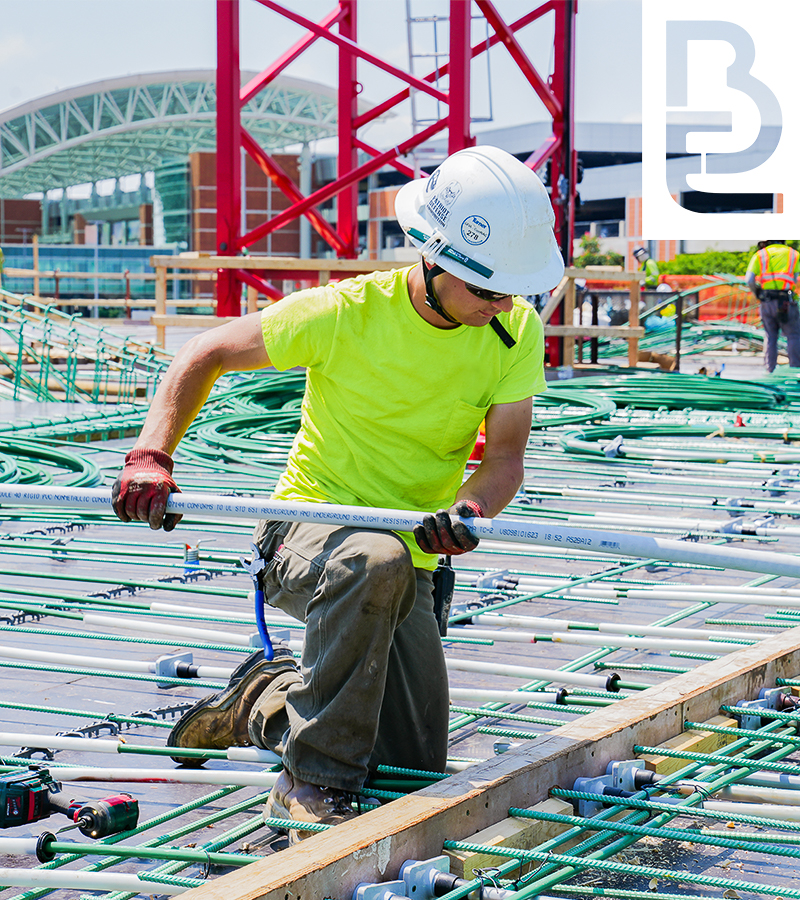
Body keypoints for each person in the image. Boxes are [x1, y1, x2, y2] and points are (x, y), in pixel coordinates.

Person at [110, 145, 564, 843]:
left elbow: (504, 459)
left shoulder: (512, 331)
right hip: (305, 537)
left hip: (409, 556)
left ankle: (263, 698)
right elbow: (205, 352)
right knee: (375, 560)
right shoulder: (348, 312)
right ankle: (312, 782)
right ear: (433, 258)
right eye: (485, 291)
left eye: (510, 292)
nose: (501, 305)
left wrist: (470, 511)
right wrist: (151, 456)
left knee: (410, 771)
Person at [745, 240, 800, 372]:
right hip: (786, 301)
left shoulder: (760, 255)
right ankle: (796, 371)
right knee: (793, 335)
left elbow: (749, 280)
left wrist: (757, 292)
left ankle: (770, 370)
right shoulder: (794, 254)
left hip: (767, 301)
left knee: (770, 336)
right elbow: (795, 279)